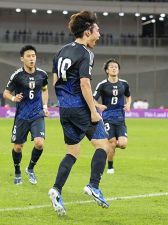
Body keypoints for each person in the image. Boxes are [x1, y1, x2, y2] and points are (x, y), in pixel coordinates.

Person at [48, 11, 110, 216]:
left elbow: (56, 81)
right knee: (103, 145)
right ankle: (93, 185)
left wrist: (70, 101)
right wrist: (92, 110)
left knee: (72, 152)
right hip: (80, 108)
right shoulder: (86, 53)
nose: (99, 34)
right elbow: (84, 82)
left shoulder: (61, 51)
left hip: (65, 109)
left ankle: (56, 190)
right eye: (97, 31)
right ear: (87, 32)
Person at [3, 45, 49, 185]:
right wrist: (13, 99)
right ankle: (17, 172)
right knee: (18, 147)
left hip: (37, 114)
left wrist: (45, 106)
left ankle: (30, 168)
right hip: (22, 116)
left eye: (33, 56)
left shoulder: (42, 75)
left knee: (39, 143)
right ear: (22, 58)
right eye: (28, 56)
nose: (31, 59)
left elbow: (45, 90)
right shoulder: (17, 75)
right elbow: (6, 93)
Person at [93, 58, 131, 174]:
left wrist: (128, 104)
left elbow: (128, 96)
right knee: (112, 143)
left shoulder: (124, 84)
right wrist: (99, 105)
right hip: (108, 118)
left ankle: (110, 146)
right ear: (107, 70)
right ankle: (110, 167)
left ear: (118, 70)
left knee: (123, 144)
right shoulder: (102, 85)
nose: (114, 68)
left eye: (116, 67)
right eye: (111, 67)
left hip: (120, 118)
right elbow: (93, 99)